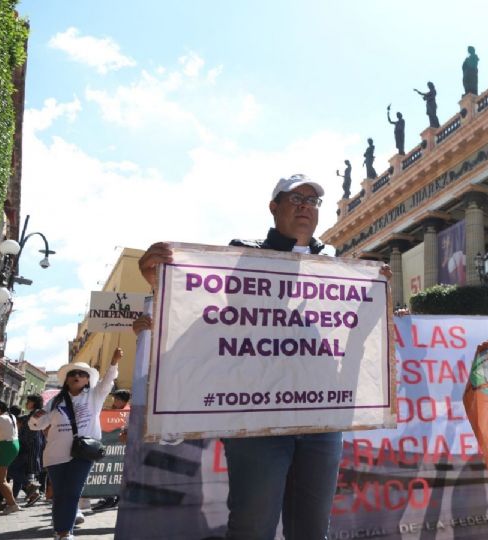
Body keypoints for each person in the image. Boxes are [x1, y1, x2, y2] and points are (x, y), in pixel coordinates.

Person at [138, 174, 391, 540]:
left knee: (313, 527)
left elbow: (353, 330)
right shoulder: (242, 252)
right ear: (274, 207)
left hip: (320, 414)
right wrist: (160, 281)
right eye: (296, 199)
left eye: (313, 201)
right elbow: (206, 310)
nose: (306, 206)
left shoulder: (337, 261)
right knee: (253, 524)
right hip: (257, 413)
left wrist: (377, 298)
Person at [29, 350, 120, 539]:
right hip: (55, 454)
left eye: (81, 374)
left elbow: (107, 382)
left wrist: (113, 362)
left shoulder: (95, 396)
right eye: (72, 374)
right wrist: (35, 418)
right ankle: (61, 531)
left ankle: (64, 532)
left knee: (72, 493)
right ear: (67, 380)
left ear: (88, 380)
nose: (76, 376)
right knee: (60, 495)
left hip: (82, 454)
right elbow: (37, 425)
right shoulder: (55, 401)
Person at [93, 389, 131, 511]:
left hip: (122, 450)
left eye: (117, 399)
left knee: (117, 474)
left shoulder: (127, 413)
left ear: (123, 401)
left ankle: (114, 498)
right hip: (112, 448)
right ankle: (109, 498)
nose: (114, 401)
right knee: (109, 473)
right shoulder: (113, 411)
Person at [0, 400, 21, 515]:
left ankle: (12, 504)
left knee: (0, 480)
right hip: (10, 445)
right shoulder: (10, 416)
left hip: (6, 447)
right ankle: (11, 504)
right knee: (1, 479)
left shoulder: (0, 419)